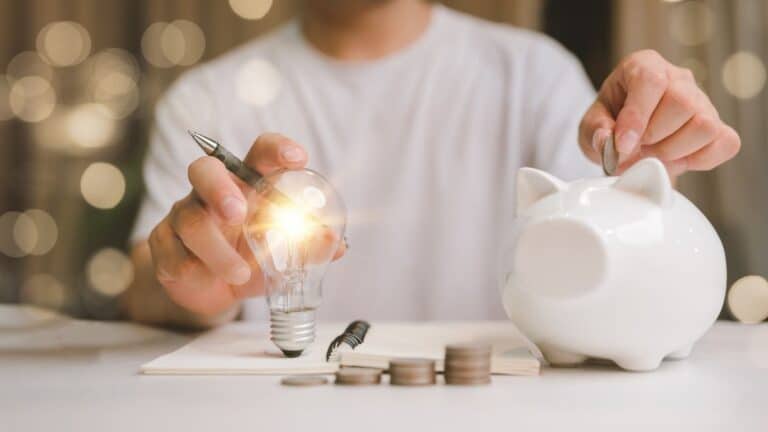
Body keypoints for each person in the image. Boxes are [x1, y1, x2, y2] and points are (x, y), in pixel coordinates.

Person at [123, 0, 740, 328]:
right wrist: (189, 283)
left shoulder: (532, 76)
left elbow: (613, 277)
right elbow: (144, 291)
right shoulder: (207, 98)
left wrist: (643, 178)